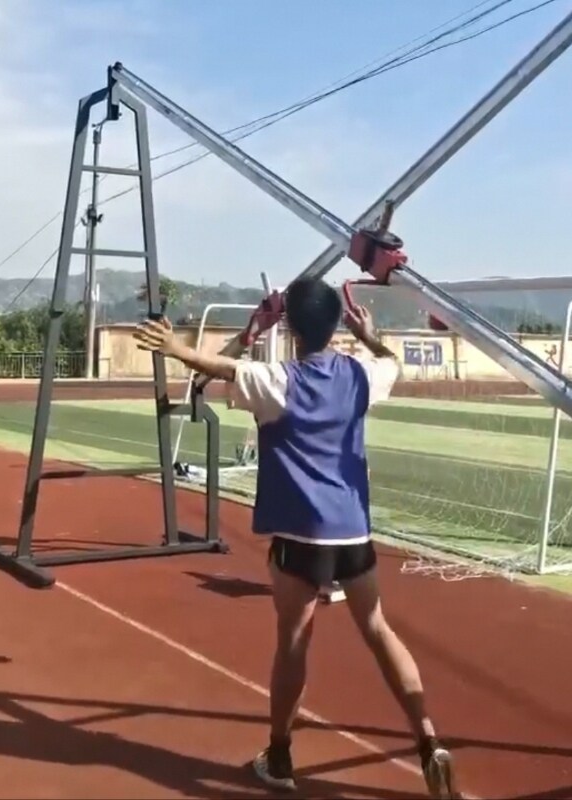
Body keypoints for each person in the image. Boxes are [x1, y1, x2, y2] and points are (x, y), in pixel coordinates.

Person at [133, 277, 459, 799]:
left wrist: (183, 346)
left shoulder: (278, 381)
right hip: (353, 532)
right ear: (337, 324)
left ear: (290, 328)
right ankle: (428, 741)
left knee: (293, 643)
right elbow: (391, 361)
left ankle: (281, 754)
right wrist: (369, 335)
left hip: (299, 535)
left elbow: (217, 370)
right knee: (378, 630)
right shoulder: (360, 373)